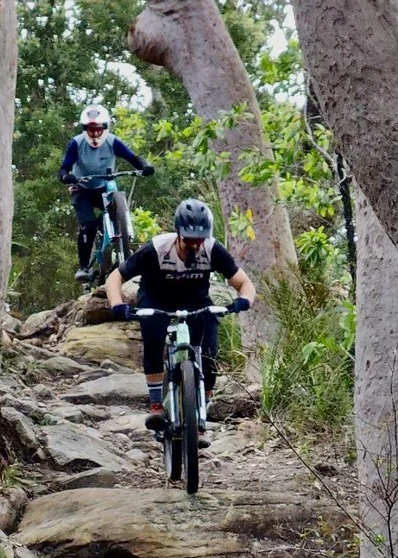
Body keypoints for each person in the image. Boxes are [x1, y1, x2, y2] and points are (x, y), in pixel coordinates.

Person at [103, 198, 256, 426]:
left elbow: (245, 283)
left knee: (208, 352)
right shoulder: (156, 249)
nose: (195, 245)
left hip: (195, 300)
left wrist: (244, 301)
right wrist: (117, 304)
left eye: (199, 240)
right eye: (189, 240)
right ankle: (156, 404)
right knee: (153, 335)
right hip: (156, 298)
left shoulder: (213, 250)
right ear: (178, 233)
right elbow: (115, 277)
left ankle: (200, 411)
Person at [59, 105, 154, 282]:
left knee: (115, 196)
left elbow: (133, 157)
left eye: (98, 129)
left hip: (104, 186)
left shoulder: (112, 141)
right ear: (85, 129)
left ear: (105, 128)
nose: (95, 134)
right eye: (91, 130)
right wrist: (66, 177)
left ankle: (121, 241)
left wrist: (144, 167)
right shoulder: (76, 143)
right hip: (83, 189)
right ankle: (83, 267)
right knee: (88, 226)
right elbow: (64, 167)